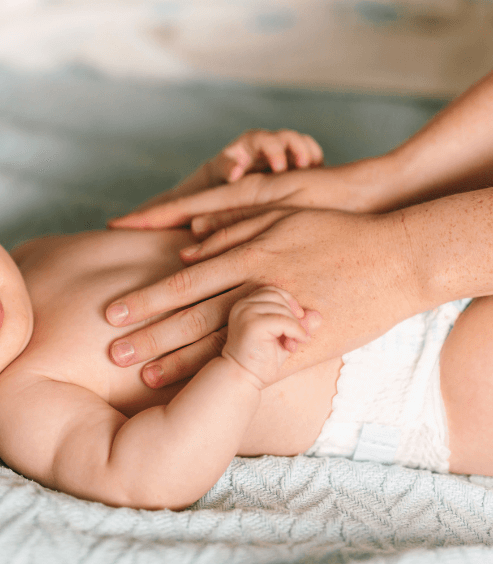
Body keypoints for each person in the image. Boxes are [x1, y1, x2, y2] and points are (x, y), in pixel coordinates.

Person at [0, 125, 493, 511]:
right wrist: (238, 367)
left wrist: (221, 180)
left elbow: (157, 231)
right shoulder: (23, 404)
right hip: (405, 380)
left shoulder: (34, 255)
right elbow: (149, 473)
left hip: (375, 242)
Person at [104, 70, 493, 397]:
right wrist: (386, 186)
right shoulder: (43, 390)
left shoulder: (40, 259)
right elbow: (145, 475)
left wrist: (398, 256)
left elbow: (142, 236)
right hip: (412, 374)